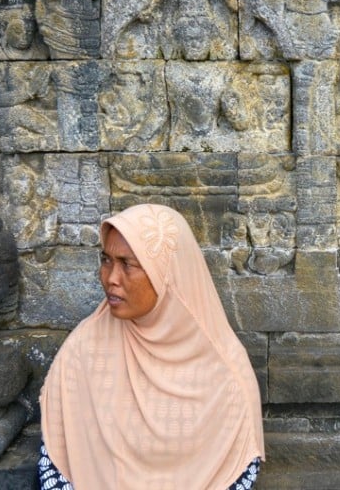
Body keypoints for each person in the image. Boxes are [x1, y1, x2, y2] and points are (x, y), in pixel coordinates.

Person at [38, 203, 264, 490]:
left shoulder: (226, 371)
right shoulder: (83, 349)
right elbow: (55, 461)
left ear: (165, 274)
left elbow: (237, 474)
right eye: (106, 260)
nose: (110, 278)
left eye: (127, 264)